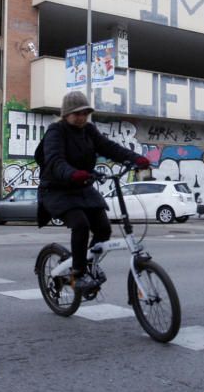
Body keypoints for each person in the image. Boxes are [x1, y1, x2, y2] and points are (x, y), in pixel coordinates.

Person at [36, 90, 150, 292]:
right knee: (80, 224)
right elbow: (55, 161)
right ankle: (77, 273)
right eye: (77, 113)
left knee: (104, 228)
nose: (81, 118)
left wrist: (136, 159)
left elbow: (110, 148)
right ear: (66, 114)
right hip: (56, 189)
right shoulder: (56, 131)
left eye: (85, 113)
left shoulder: (89, 130)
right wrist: (73, 174)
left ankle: (88, 264)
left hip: (82, 187)